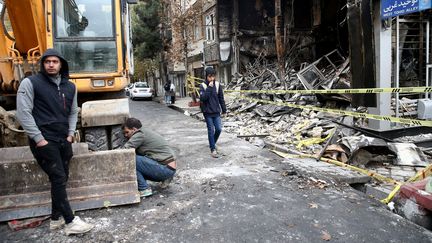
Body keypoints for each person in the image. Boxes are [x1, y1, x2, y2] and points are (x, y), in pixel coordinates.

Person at [16, 49, 94, 235]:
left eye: (55, 61)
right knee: (58, 177)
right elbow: (23, 113)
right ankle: (70, 221)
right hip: (44, 140)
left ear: (61, 64)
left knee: (60, 179)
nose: (51, 64)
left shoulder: (70, 87)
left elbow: (74, 111)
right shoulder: (30, 83)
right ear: (42, 64)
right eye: (47, 61)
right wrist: (39, 139)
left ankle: (55, 219)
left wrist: (70, 134)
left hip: (63, 139)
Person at [121, 118, 176, 198]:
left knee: (131, 159)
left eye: (127, 132)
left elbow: (125, 151)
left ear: (134, 129)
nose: (125, 135)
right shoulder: (145, 132)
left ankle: (144, 189)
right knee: (137, 161)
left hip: (165, 169)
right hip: (169, 168)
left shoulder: (139, 134)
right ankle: (165, 178)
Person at [199, 67, 227, 158]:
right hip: (207, 112)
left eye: (213, 77)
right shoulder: (203, 86)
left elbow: (221, 98)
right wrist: (209, 88)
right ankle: (213, 149)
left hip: (216, 111)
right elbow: (203, 98)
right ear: (206, 76)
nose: (212, 79)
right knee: (211, 130)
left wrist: (224, 110)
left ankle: (212, 144)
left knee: (218, 129)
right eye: (210, 77)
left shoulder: (218, 85)